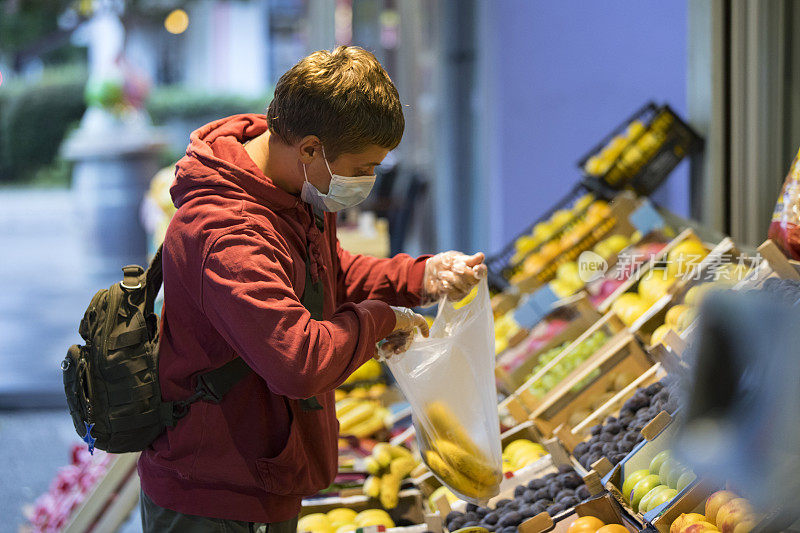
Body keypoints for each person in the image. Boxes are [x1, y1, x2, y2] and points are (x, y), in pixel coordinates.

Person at [137, 46, 487, 532]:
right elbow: (299, 362)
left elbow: (326, 275)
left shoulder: (295, 188)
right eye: (363, 167)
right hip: (215, 496)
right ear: (309, 149)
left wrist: (419, 278)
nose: (367, 181)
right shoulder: (226, 234)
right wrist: (383, 319)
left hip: (267, 472)